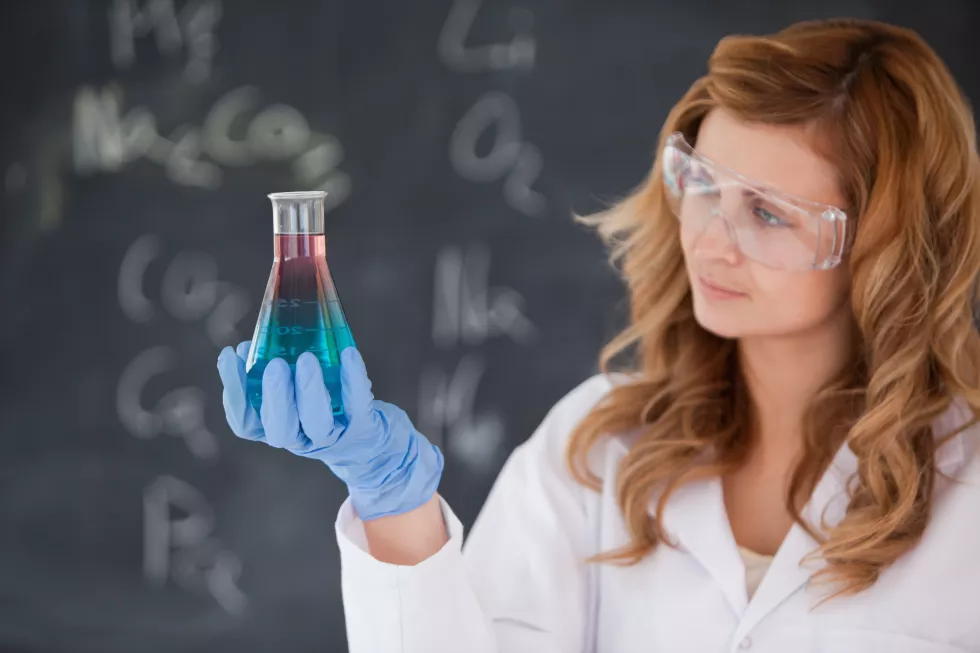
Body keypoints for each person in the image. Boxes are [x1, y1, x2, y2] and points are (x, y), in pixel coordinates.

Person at [216, 17, 980, 653]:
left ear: (890, 246)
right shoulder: (597, 447)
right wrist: (390, 498)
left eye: (769, 213)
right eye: (702, 184)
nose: (711, 240)